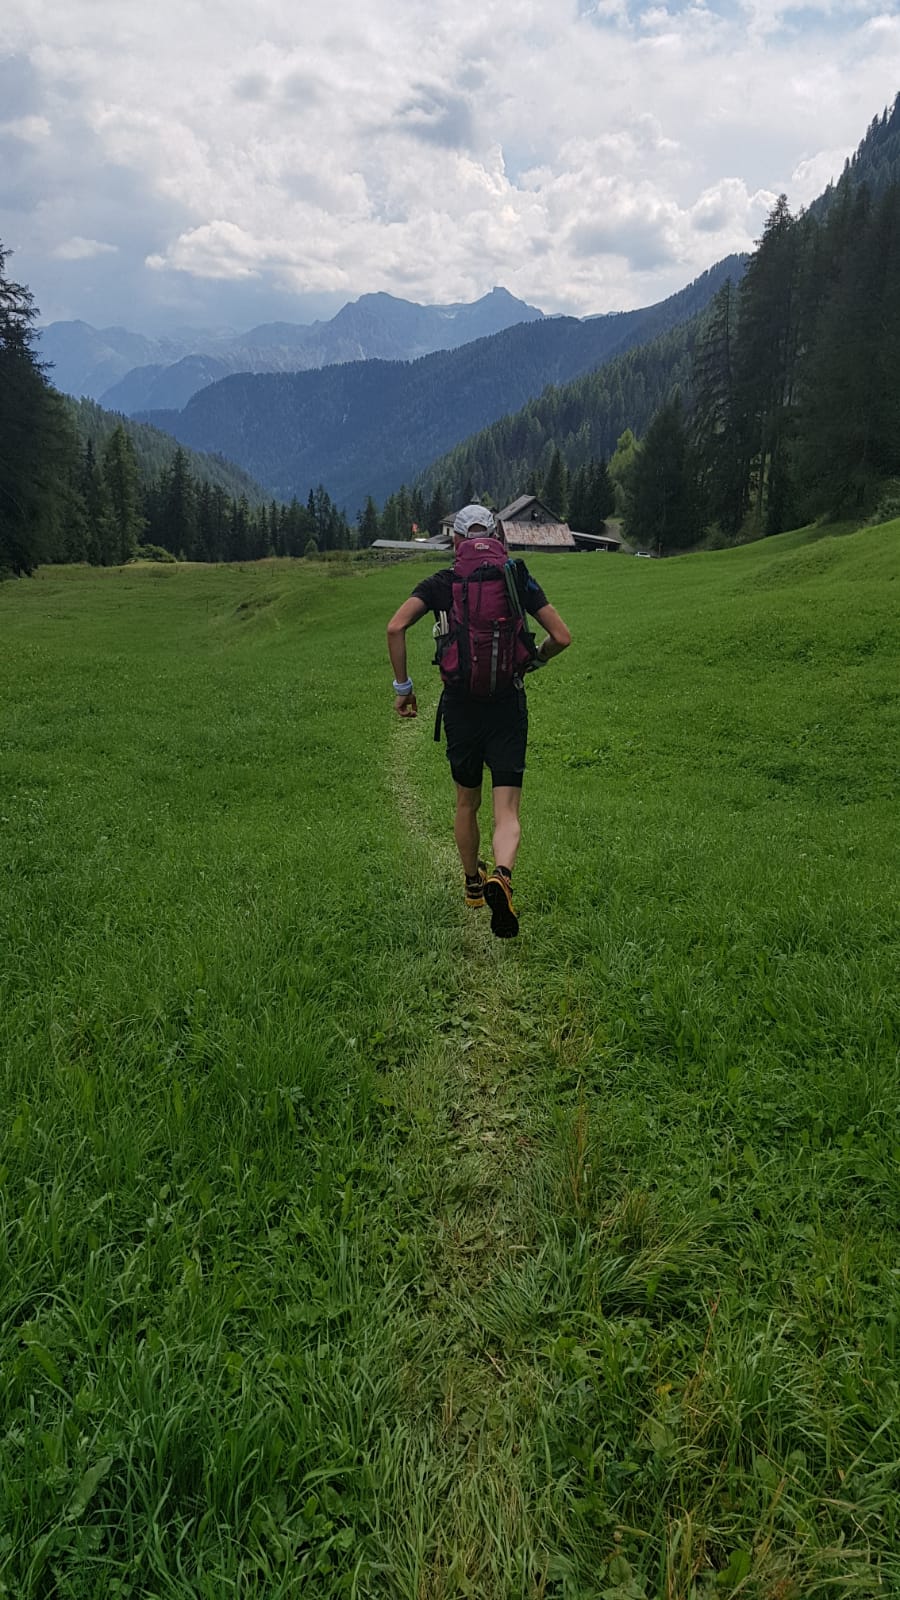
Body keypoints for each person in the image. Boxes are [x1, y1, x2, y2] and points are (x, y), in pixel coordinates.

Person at [386, 504, 571, 938]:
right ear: (498, 538)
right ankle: (502, 876)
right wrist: (532, 662)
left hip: (461, 708)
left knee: (466, 801)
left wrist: (404, 690)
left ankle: (473, 883)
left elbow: (395, 628)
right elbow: (562, 636)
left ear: (456, 541)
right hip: (507, 704)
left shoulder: (443, 583)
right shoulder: (515, 576)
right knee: (506, 811)